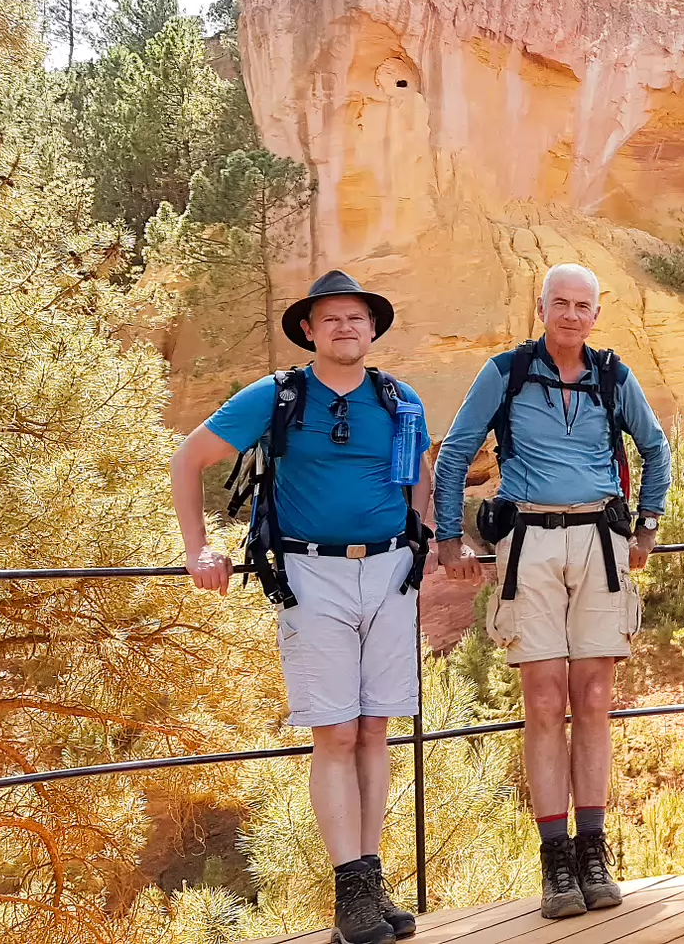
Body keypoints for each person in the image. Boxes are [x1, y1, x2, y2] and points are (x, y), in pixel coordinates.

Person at [172, 272, 433, 944]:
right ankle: (350, 895)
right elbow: (189, 458)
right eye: (332, 318)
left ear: (371, 329)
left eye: (357, 317)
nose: (346, 327)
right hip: (311, 575)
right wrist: (199, 549)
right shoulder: (278, 395)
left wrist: (422, 540)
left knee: (375, 729)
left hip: (390, 573)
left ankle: (369, 888)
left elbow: (418, 475)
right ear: (310, 331)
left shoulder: (399, 399)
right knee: (336, 733)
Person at [433, 264, 671, 920]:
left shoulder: (613, 375)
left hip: (599, 540)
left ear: (596, 314)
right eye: (559, 303)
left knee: (593, 697)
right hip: (528, 542)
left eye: (581, 305)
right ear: (541, 309)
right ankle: (555, 858)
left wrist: (648, 525)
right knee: (543, 699)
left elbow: (656, 448)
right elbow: (454, 452)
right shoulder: (506, 372)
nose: (570, 315)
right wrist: (449, 537)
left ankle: (593, 852)